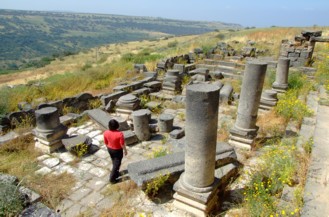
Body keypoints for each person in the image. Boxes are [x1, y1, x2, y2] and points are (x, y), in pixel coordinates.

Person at [103, 119, 127, 183]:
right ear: (117, 125)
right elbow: (122, 144)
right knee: (117, 163)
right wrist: (125, 150)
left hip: (110, 149)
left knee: (114, 161)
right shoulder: (120, 134)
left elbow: (105, 142)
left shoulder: (105, 132)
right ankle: (112, 178)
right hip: (117, 150)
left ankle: (116, 173)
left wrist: (109, 148)